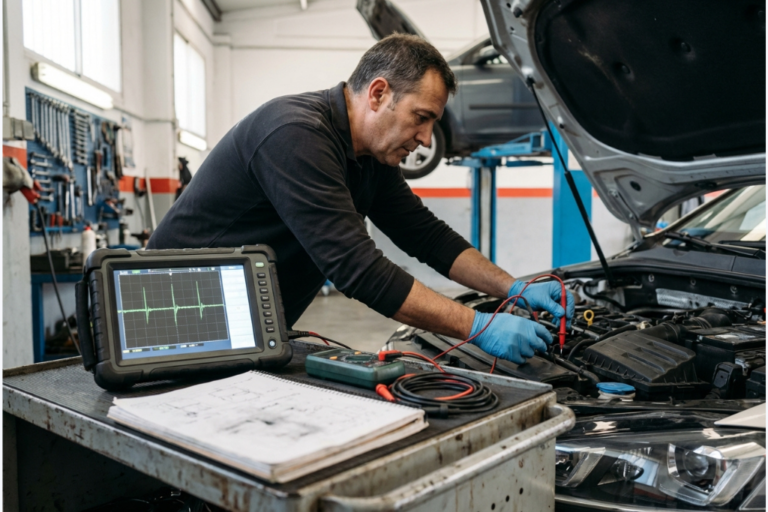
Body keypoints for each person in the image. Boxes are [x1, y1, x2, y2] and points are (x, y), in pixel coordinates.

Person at [148, 34, 574, 364]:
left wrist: (513, 288)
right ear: (378, 93)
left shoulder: (370, 158)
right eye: (421, 118)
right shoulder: (294, 134)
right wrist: (478, 326)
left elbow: (427, 237)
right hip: (170, 322)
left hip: (246, 332)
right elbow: (357, 269)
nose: (426, 139)